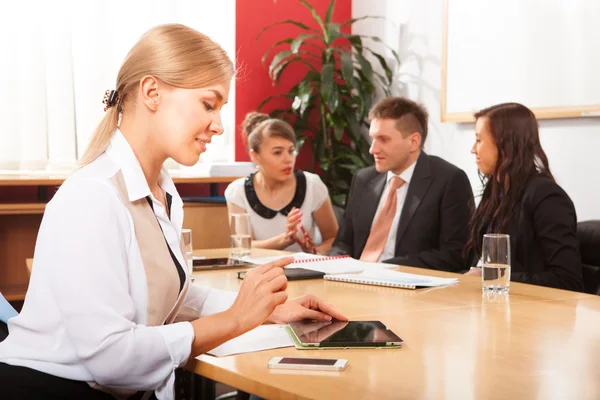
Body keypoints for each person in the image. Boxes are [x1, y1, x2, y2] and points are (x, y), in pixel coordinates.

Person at [0, 24, 346, 400]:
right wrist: (236, 319)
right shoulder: (92, 197)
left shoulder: (161, 189)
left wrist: (265, 308)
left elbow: (164, 296)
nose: (218, 125)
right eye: (208, 104)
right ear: (152, 92)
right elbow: (109, 357)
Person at [330, 97, 474, 272]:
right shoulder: (363, 179)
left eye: (383, 139)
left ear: (413, 142)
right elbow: (343, 242)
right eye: (373, 139)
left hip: (408, 288)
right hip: (352, 282)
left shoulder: (449, 180)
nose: (372, 149)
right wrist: (335, 266)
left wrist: (388, 268)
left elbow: (457, 255)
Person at [464, 102, 584, 291]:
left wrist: (492, 277)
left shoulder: (548, 198)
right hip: (495, 305)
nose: (473, 149)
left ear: (505, 144)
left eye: (479, 140)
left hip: (534, 314)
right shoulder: (495, 192)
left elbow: (567, 280)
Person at [225, 118, 338, 254]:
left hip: (305, 271)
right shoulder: (237, 192)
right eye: (277, 153)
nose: (288, 159)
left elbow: (333, 239)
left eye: (291, 151)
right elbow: (242, 246)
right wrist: (284, 239)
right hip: (258, 272)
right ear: (255, 156)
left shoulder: (313, 185)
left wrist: (315, 252)